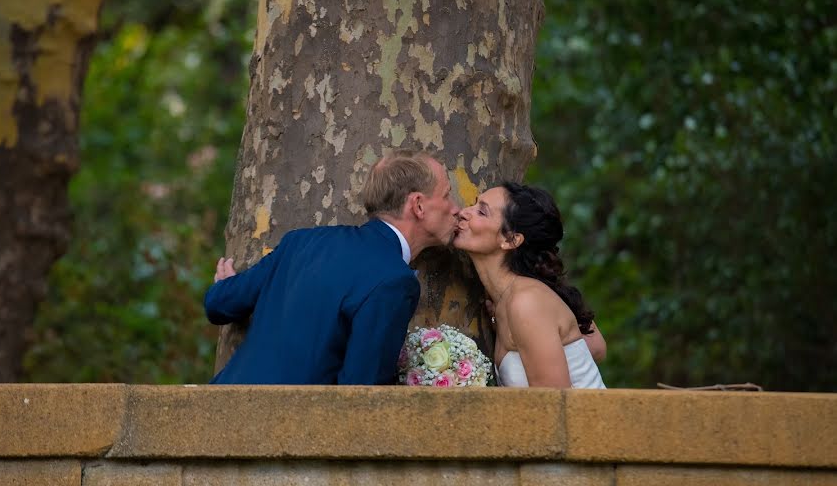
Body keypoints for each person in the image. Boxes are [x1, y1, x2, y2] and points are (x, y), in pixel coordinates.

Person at [205, 150, 460, 384]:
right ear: (418, 205)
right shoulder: (394, 281)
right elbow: (361, 392)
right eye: (447, 195)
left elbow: (219, 303)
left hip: (220, 406)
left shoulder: (302, 242)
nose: (456, 208)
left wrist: (225, 285)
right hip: (284, 426)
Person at [454, 182, 606, 388]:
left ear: (511, 240)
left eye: (481, 211)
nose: (463, 212)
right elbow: (595, 347)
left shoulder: (526, 302)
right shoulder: (507, 301)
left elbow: (552, 406)